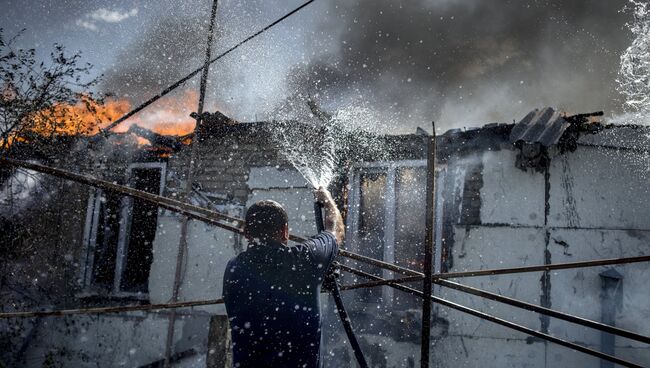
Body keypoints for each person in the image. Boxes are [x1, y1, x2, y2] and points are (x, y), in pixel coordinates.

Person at [223, 187, 345, 368]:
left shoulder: (234, 269)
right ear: (285, 232)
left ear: (246, 233)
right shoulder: (305, 260)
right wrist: (326, 199)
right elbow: (336, 230)